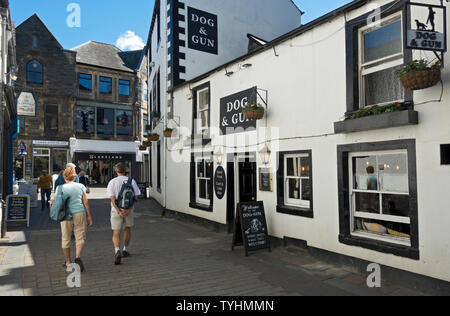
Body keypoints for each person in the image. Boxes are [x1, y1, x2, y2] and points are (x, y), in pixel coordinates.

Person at [56, 168, 93, 272]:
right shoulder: (81, 186)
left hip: (66, 214)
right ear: (74, 176)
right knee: (80, 236)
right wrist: (89, 216)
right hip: (80, 213)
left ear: (64, 176)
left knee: (66, 238)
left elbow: (57, 203)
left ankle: (68, 262)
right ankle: (77, 257)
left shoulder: (60, 188)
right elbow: (85, 202)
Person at [106, 163, 140, 265]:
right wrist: (128, 209)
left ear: (116, 171)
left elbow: (112, 198)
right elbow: (136, 196)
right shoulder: (131, 181)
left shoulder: (112, 182)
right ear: (125, 171)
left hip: (116, 211)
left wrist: (118, 210)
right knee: (127, 229)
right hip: (128, 210)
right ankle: (125, 250)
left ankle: (117, 251)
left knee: (116, 232)